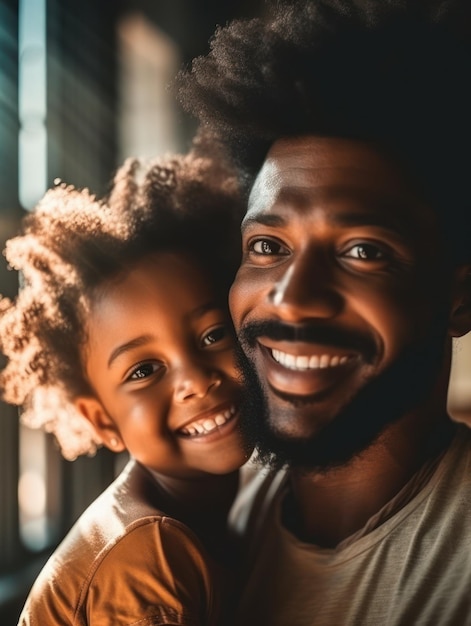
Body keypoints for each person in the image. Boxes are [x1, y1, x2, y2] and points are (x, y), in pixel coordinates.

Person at [176, 1, 471, 624]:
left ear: (457, 299)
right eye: (267, 246)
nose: (290, 296)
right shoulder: (207, 521)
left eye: (363, 251)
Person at [0, 141, 249, 625]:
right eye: (143, 370)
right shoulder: (147, 552)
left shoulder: (227, 509)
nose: (195, 380)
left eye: (214, 334)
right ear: (102, 419)